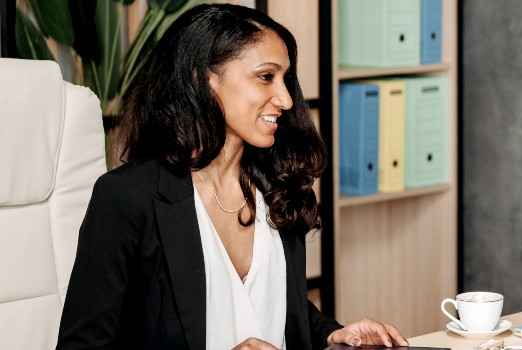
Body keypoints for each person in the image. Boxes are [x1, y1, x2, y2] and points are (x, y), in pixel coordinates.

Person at [57, 4, 407, 350]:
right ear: (203, 79)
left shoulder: (278, 185)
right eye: (266, 77)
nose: (285, 99)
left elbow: (275, 309)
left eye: (286, 79)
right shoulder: (128, 197)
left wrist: (331, 334)